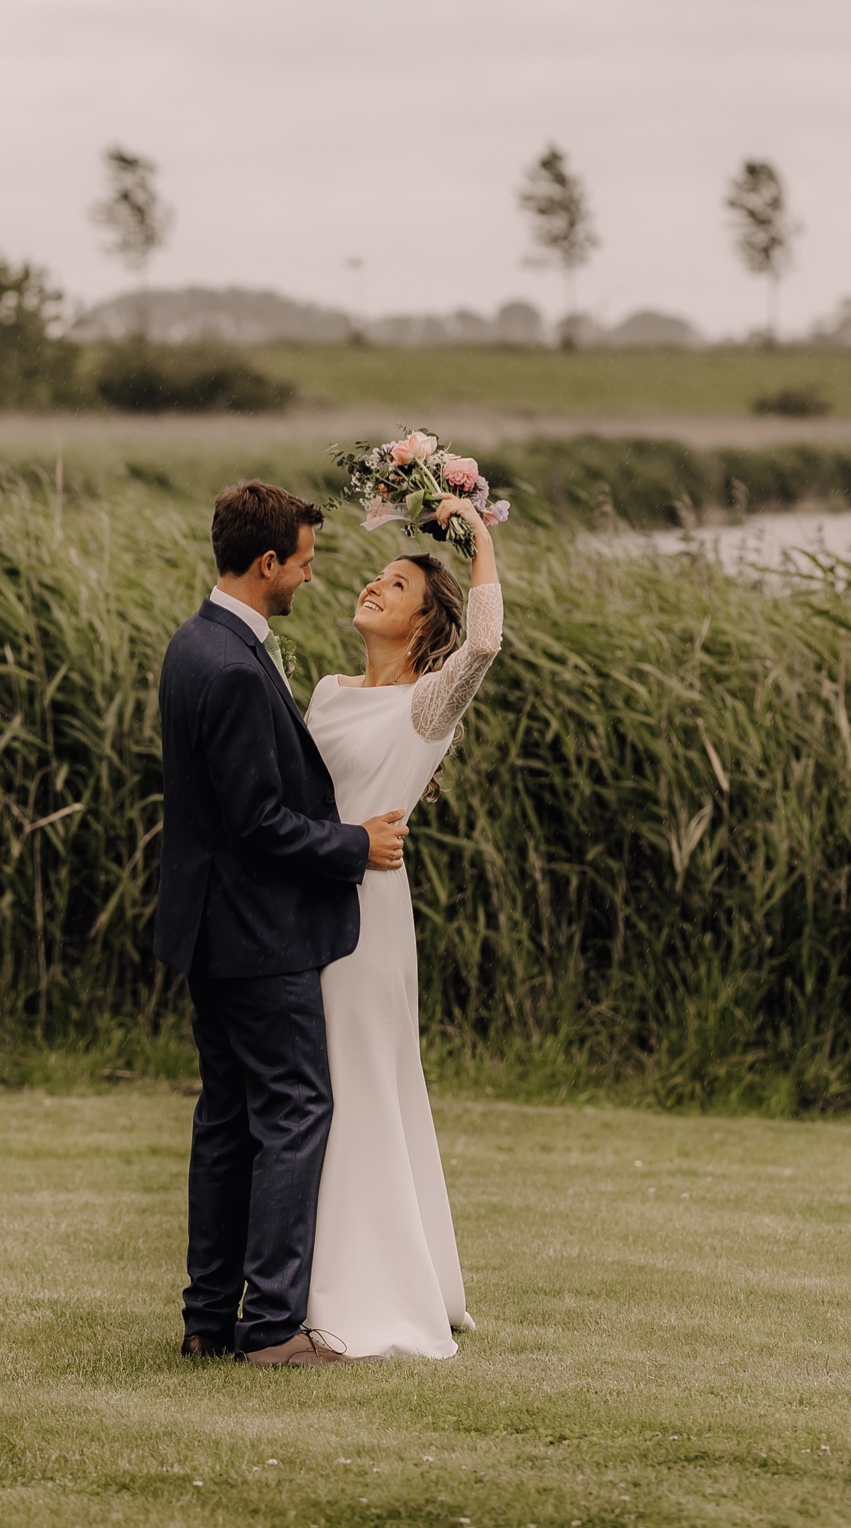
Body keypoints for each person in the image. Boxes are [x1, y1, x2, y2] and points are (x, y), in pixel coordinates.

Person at [155, 480, 410, 1367]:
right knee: (297, 1110)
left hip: (210, 930)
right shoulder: (231, 665)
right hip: (258, 935)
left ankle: (206, 1318)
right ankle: (268, 1327)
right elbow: (256, 818)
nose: (310, 575)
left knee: (228, 1120)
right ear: (268, 563)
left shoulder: (198, 643)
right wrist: (354, 843)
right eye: (304, 560)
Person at [303, 494, 503, 1358]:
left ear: (425, 624)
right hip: (306, 895)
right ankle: (302, 1265)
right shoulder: (323, 689)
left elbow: (487, 642)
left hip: (370, 915)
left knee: (363, 1080)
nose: (372, 584)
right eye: (375, 574)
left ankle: (368, 1284)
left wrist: (477, 533)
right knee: (315, 1082)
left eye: (396, 582)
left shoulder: (427, 705)